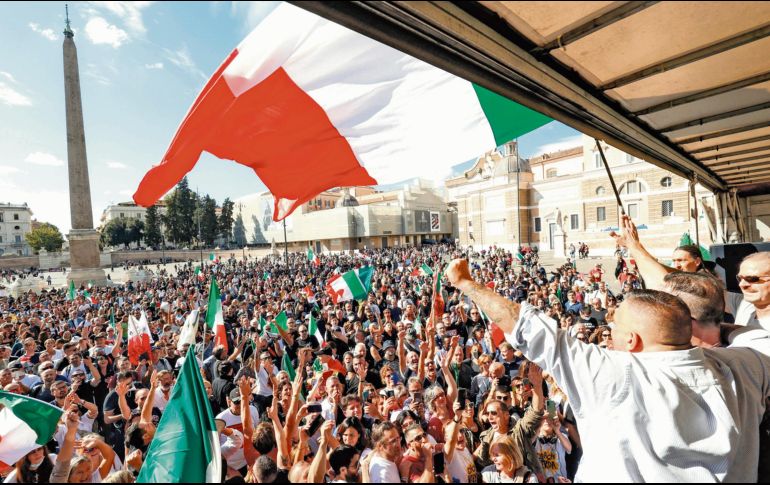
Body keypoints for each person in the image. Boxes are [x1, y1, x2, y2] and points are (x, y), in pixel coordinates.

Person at [446, 257, 770, 482]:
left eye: (614, 326)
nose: (607, 332)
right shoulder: (747, 366)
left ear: (631, 340)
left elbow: (525, 326)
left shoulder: (614, 375)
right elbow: (757, 335)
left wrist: (466, 284)